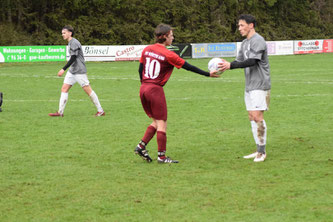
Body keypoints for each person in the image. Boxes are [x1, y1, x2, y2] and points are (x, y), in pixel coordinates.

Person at [135, 24, 220, 164]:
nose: (173, 38)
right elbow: (188, 66)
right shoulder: (169, 54)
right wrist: (207, 74)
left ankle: (141, 146)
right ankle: (162, 157)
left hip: (144, 87)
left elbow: (140, 69)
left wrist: (144, 85)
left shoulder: (147, 49)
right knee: (162, 123)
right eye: (171, 35)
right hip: (155, 89)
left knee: (156, 122)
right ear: (165, 36)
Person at [219, 14, 271, 162]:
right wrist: (225, 65)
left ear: (251, 25)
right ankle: (258, 149)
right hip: (249, 85)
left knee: (257, 116)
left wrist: (232, 65)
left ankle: (262, 152)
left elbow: (253, 61)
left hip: (260, 84)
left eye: (242, 25)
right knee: (251, 117)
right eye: (239, 26)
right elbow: (239, 61)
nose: (239, 28)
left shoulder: (258, 41)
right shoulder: (244, 43)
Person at [49, 25, 104, 117]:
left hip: (79, 71)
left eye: (64, 33)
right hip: (72, 71)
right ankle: (60, 112)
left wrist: (63, 69)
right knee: (64, 88)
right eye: (62, 33)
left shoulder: (74, 42)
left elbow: (73, 58)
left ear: (70, 33)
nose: (62, 35)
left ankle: (100, 111)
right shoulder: (70, 42)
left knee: (88, 90)